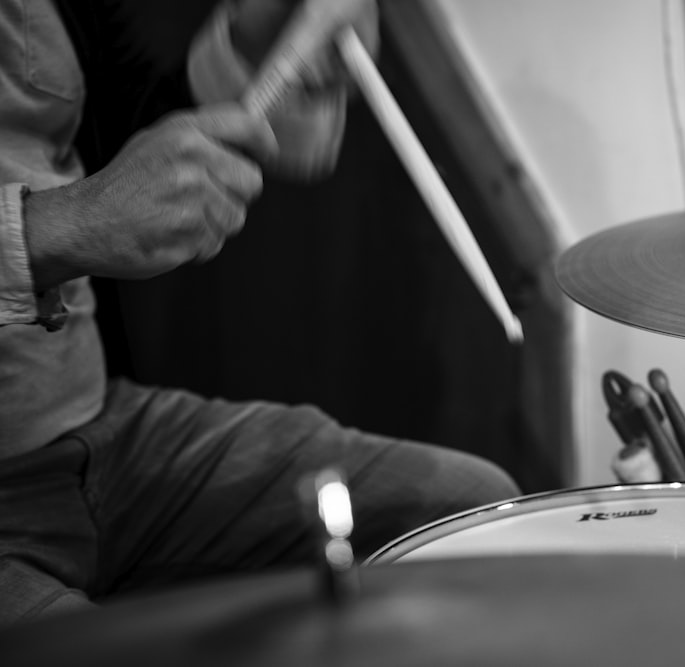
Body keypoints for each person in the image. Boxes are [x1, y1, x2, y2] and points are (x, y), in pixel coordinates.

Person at [0, 0, 520, 625]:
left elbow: (122, 141)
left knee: (472, 512)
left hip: (98, 424)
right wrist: (55, 231)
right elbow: (92, 206)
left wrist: (258, 46)